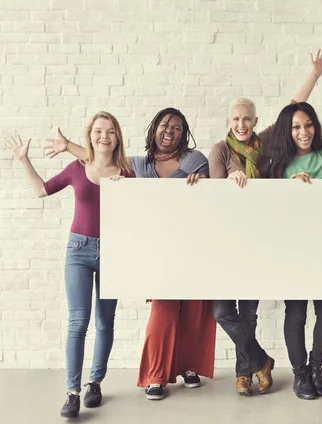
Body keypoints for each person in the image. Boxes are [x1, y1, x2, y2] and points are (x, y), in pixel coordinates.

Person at [44, 108, 215, 401]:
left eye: (176, 127)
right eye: (163, 125)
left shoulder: (194, 160)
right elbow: (103, 158)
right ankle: (155, 375)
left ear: (184, 133)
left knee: (193, 311)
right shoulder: (138, 164)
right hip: (156, 248)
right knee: (164, 311)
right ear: (153, 130)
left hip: (189, 244)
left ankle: (187, 366)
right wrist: (69, 145)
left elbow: (210, 195)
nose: (169, 131)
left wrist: (201, 182)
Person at [209, 49, 322, 396]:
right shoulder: (220, 149)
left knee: (248, 312)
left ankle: (243, 375)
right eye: (236, 119)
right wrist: (231, 177)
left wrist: (314, 76)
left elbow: (289, 111)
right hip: (227, 239)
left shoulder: (263, 146)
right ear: (229, 122)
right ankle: (261, 360)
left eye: (247, 119)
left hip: (257, 239)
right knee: (221, 310)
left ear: (254, 119)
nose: (241, 124)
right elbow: (214, 196)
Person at [5, 112, 132, 418]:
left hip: (114, 253)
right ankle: (72, 392)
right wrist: (24, 160)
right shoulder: (77, 167)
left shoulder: (127, 173)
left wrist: (126, 191)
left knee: (105, 322)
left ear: (117, 138)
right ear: (90, 136)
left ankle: (95, 383)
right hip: (78, 250)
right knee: (79, 322)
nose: (104, 136)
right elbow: (41, 190)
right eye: (99, 131)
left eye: (111, 131)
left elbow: (140, 217)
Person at [260, 46, 322, 401]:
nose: (304, 131)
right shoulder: (276, 162)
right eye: (297, 127)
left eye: (309, 125)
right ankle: (301, 375)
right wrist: (314, 76)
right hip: (292, 248)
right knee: (296, 313)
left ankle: (317, 366)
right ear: (288, 131)